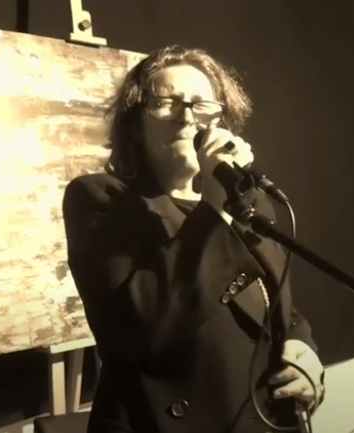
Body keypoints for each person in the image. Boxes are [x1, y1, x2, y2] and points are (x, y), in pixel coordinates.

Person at [62, 45, 325, 433]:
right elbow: (142, 327)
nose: (187, 117)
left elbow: (279, 307)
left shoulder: (249, 205)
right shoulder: (101, 197)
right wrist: (214, 210)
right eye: (166, 103)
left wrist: (305, 352)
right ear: (135, 123)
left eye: (202, 105)